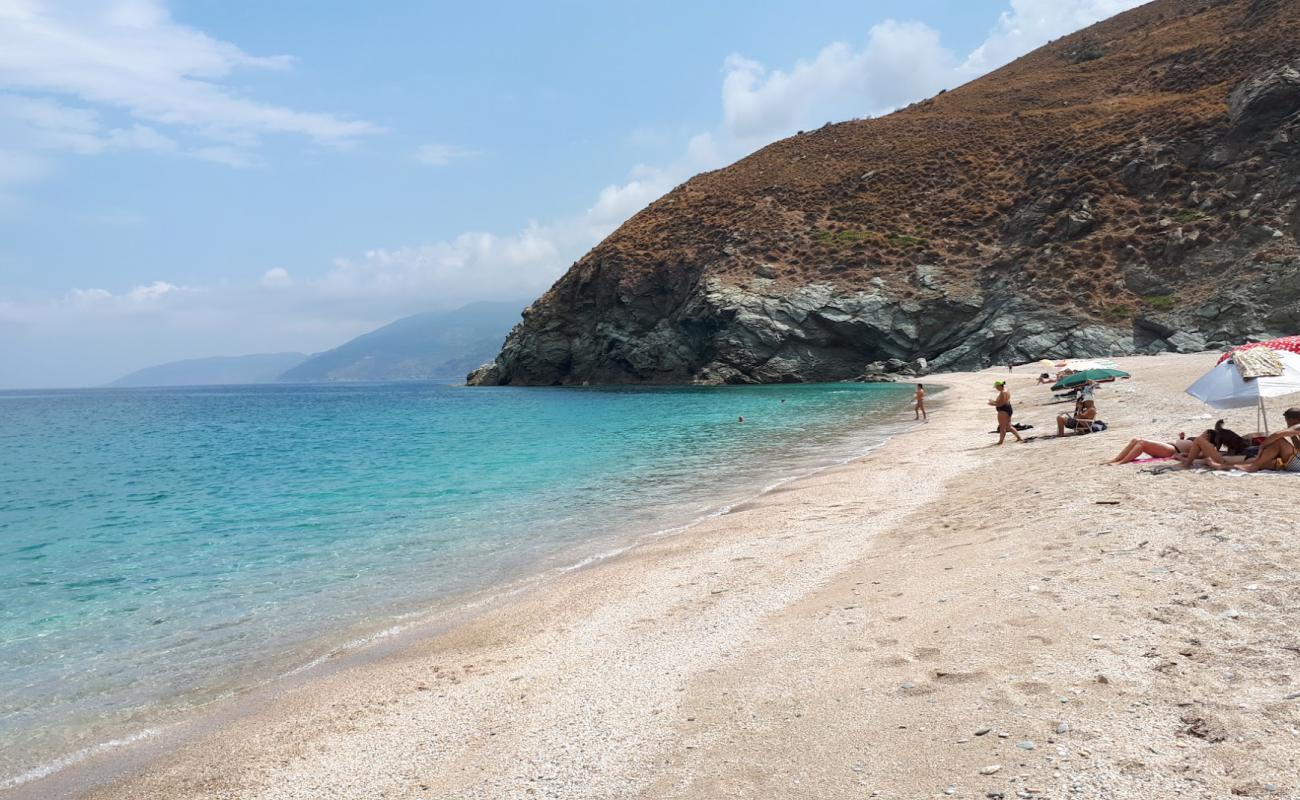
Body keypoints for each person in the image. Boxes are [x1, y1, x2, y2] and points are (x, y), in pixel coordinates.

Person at [1234, 408, 1300, 472]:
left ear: (1292, 420)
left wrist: (1262, 446)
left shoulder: (1298, 426)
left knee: (1279, 441)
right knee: (1264, 462)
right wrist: (1292, 435)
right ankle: (1228, 466)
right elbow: (1298, 446)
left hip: (1297, 464)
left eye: (1287, 421)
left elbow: (1277, 434)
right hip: (1296, 463)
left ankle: (1253, 467)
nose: (1287, 424)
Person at [1105, 434, 1193, 465]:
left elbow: (1196, 456)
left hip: (1172, 450)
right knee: (1135, 440)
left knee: (1142, 443)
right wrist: (1182, 438)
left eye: (1205, 433)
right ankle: (1116, 459)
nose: (1203, 433)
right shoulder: (1198, 441)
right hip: (1169, 446)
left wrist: (1181, 456)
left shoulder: (1202, 445)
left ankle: (1122, 462)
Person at [989, 380, 1021, 444]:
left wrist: (993, 404)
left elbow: (1001, 404)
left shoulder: (1002, 392)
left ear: (999, 386)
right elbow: (1003, 401)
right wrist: (994, 401)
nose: (996, 388)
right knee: (1009, 427)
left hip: (1003, 410)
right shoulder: (1006, 390)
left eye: (996, 387)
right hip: (1008, 408)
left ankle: (1000, 441)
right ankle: (1019, 438)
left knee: (1002, 427)